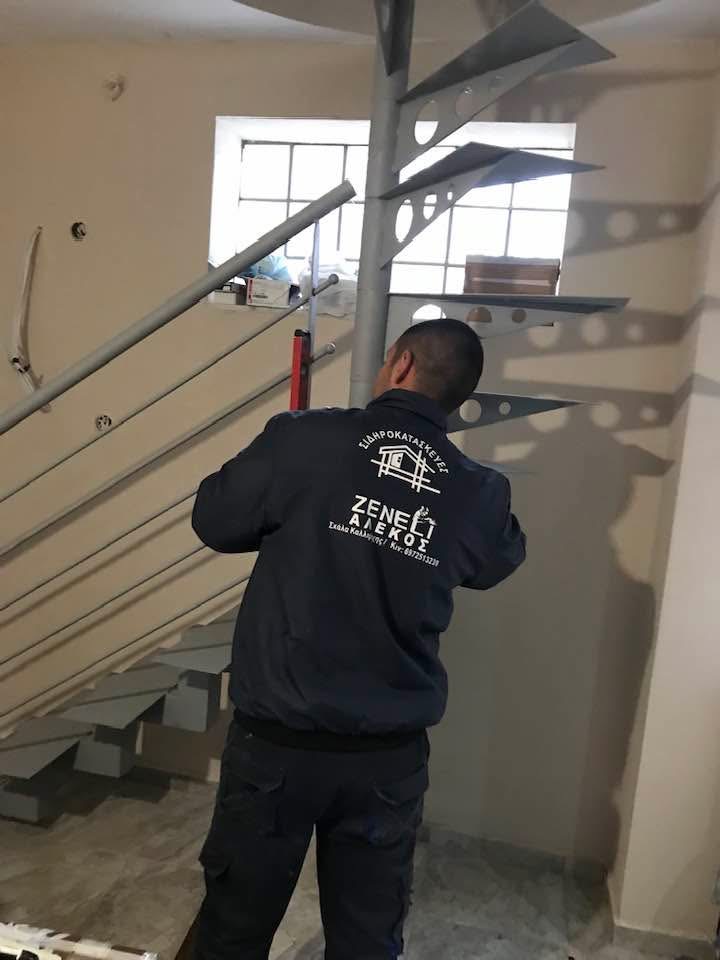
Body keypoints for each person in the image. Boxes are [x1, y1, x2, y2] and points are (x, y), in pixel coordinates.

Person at [191, 318, 526, 960]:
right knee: (367, 942)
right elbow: (497, 560)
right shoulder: (479, 491)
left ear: (400, 366)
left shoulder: (303, 439)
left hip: (276, 749)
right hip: (386, 760)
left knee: (233, 932)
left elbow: (214, 518)